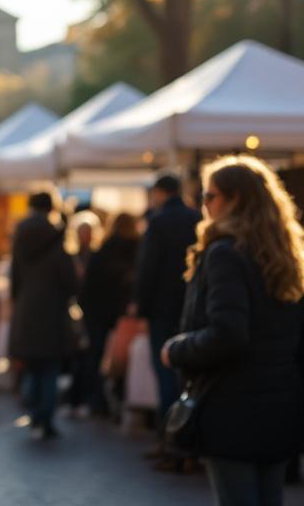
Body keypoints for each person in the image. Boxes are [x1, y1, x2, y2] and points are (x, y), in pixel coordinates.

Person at [162, 155, 304, 506]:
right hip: (280, 405)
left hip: (234, 406)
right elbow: (302, 339)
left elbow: (228, 334)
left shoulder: (225, 254)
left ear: (236, 201)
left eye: (210, 196)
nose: (203, 205)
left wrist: (177, 349)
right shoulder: (283, 254)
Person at [133, 173, 202, 464]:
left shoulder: (159, 222)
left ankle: (171, 440)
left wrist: (140, 305)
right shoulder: (196, 218)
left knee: (165, 372)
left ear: (160, 193)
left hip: (163, 308)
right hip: (192, 307)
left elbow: (147, 267)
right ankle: (188, 441)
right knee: (189, 375)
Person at [9, 191, 77, 440]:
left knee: (32, 367)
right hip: (53, 311)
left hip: (27, 308)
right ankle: (45, 418)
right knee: (49, 368)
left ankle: (34, 415)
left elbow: (14, 276)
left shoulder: (20, 235)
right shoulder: (56, 236)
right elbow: (70, 281)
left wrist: (18, 301)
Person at [79, 212, 140, 417]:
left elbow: (87, 288)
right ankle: (123, 398)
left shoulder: (103, 252)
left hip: (98, 315)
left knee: (96, 358)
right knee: (125, 361)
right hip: (127, 317)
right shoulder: (139, 251)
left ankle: (97, 401)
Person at [64, 211, 101, 416]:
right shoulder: (70, 256)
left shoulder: (97, 256)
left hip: (92, 313)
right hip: (74, 313)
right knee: (77, 358)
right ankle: (74, 399)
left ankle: (87, 399)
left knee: (90, 358)